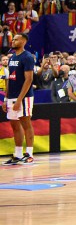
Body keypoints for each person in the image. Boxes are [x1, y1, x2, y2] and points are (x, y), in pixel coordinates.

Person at [4, 32, 35, 165]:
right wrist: (6, 99)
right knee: (14, 125)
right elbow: (10, 79)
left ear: (23, 42)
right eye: (13, 39)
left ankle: (29, 154)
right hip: (12, 96)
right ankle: (17, 154)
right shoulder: (11, 58)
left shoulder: (27, 57)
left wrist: (19, 100)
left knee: (26, 124)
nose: (13, 41)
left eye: (16, 40)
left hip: (24, 97)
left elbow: (29, 80)